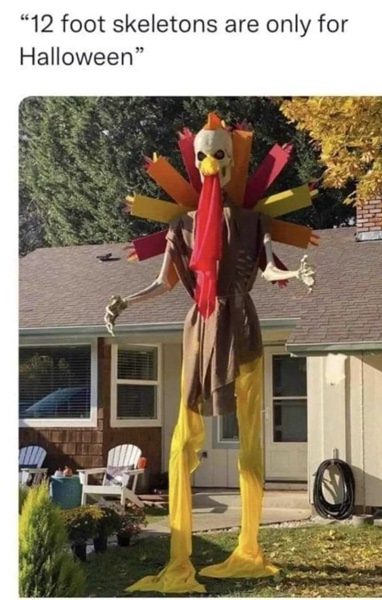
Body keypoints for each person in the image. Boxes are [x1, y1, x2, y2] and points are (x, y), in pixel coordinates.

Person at [104, 113, 314, 593]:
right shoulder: (181, 225)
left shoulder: (253, 221)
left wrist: (292, 275)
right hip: (199, 329)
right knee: (182, 442)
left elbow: (269, 268)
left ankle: (248, 548)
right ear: (195, 162)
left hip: (242, 328)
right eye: (202, 155)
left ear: (233, 161)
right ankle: (179, 559)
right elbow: (164, 282)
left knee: (250, 441)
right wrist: (126, 301)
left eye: (219, 154)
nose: (210, 163)